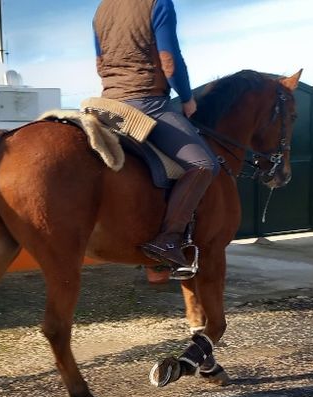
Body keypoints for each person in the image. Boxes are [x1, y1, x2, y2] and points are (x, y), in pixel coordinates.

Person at [93, 0, 219, 276]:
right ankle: (168, 240)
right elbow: (169, 61)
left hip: (109, 102)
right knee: (204, 164)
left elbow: (100, 62)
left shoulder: (101, 10)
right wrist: (186, 98)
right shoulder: (158, 3)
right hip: (147, 102)